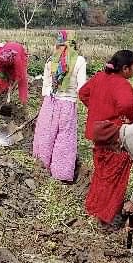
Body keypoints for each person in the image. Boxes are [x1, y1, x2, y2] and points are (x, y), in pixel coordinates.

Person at [78, 49, 133, 223]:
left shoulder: (99, 77)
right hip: (115, 136)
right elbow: (127, 104)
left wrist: (97, 108)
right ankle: (105, 214)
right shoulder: (121, 84)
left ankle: (94, 207)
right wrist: (131, 121)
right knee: (114, 176)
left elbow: (83, 93)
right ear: (125, 68)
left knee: (101, 173)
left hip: (99, 133)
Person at [32, 29, 87, 182]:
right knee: (65, 138)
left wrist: (48, 101)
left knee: (46, 134)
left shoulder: (51, 60)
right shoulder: (79, 61)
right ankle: (60, 174)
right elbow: (82, 87)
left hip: (50, 102)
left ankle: (41, 166)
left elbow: (46, 86)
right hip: (68, 105)